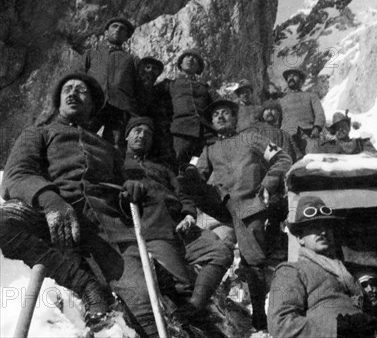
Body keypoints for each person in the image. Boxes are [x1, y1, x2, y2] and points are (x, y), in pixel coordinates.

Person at [0, 73, 163, 336]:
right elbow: (17, 175)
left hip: (107, 228)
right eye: (67, 89)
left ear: (93, 103)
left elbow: (129, 186)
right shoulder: (39, 133)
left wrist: (131, 189)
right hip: (51, 214)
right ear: (58, 101)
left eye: (81, 90)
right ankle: (85, 284)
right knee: (3, 224)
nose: (73, 93)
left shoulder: (109, 149)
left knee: (143, 305)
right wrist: (51, 201)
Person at [180, 99, 292, 331]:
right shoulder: (209, 150)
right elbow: (197, 176)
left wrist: (268, 183)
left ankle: (261, 314)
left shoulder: (252, 138)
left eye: (226, 113)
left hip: (250, 206)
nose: (220, 117)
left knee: (254, 262)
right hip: (221, 208)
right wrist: (189, 173)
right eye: (215, 115)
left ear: (234, 118)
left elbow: (283, 158)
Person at [123, 117, 233, 320]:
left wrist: (189, 215)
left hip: (181, 226)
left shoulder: (161, 167)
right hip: (153, 229)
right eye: (137, 131)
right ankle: (189, 319)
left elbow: (182, 194)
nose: (142, 136)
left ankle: (195, 306)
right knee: (180, 284)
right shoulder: (120, 164)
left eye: (147, 133)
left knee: (220, 252)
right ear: (126, 135)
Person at [267, 196, 370, 338]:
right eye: (314, 227)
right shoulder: (292, 271)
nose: (323, 232)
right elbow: (280, 324)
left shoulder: (345, 273)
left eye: (327, 226)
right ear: (300, 238)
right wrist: (336, 329)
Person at [75, 17, 138, 152]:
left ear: (127, 36)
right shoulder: (91, 54)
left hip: (119, 107)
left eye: (123, 29)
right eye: (114, 26)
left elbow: (138, 85)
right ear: (106, 32)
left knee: (115, 147)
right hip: (93, 103)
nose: (118, 30)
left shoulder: (131, 60)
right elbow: (77, 76)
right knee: (79, 137)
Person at [168, 48, 214, 168]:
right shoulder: (170, 85)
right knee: (177, 164)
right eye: (187, 56)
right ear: (180, 63)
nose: (191, 59)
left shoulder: (205, 88)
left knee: (202, 165)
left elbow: (219, 104)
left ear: (198, 67)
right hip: (181, 132)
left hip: (205, 134)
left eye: (195, 58)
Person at [134, 56, 177, 170]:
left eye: (154, 69)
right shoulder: (131, 87)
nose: (150, 71)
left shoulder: (160, 92)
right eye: (147, 67)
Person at [278, 69, 325, 155]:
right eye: (289, 76)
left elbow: (320, 114)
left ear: (301, 80)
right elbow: (277, 122)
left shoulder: (311, 96)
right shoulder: (281, 101)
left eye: (294, 75)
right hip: (288, 138)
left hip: (309, 134)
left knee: (313, 161)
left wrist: (317, 127)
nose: (291, 77)